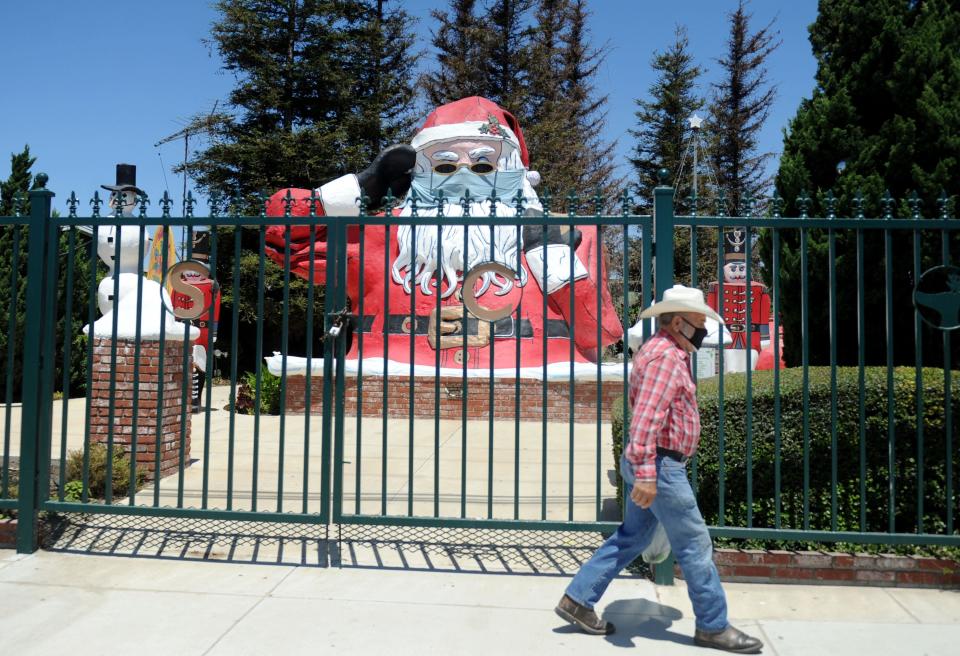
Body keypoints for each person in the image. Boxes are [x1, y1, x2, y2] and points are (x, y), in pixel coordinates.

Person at [262, 96, 622, 376]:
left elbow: (600, 334)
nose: (464, 177)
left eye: (484, 165)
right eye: (445, 165)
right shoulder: (384, 234)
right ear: (420, 172)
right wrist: (359, 189)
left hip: (533, 409)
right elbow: (285, 240)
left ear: (514, 172)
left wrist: (554, 258)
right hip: (391, 407)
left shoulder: (571, 234)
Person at [555, 284, 763, 654]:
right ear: (679, 322)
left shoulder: (667, 352)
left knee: (632, 536)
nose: (704, 329)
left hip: (655, 463)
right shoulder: (665, 357)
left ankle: (577, 599)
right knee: (695, 544)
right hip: (661, 466)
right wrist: (648, 475)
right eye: (699, 321)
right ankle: (713, 626)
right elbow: (646, 420)